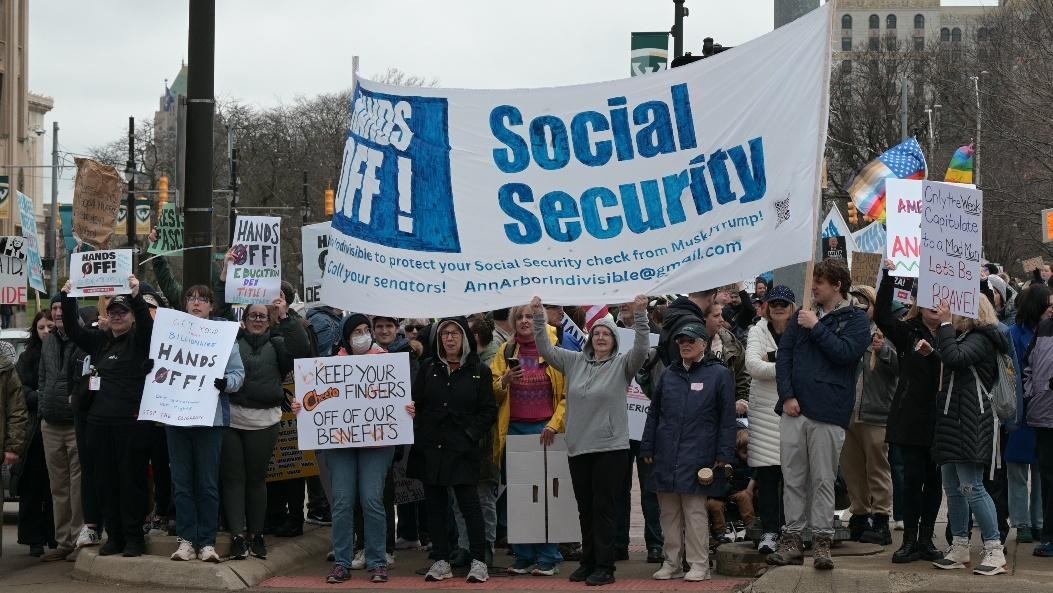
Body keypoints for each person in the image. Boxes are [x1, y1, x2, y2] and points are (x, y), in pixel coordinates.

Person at [529, 294, 649, 586]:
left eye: (607, 334)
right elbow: (544, 346)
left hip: (610, 448)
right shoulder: (573, 362)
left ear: (615, 340)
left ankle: (605, 567)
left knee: (604, 509)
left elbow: (643, 349)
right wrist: (538, 317)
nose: (601, 337)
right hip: (579, 446)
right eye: (597, 333)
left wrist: (642, 315)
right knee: (585, 508)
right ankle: (588, 561)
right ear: (589, 339)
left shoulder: (623, 365)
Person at [767, 259, 870, 570]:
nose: (813, 287)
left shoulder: (856, 319)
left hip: (829, 410)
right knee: (793, 478)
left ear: (837, 285)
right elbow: (784, 357)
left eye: (820, 283)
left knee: (823, 479)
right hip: (794, 411)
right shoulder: (800, 317)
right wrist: (787, 396)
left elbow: (846, 354)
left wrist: (817, 327)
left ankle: (822, 541)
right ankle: (792, 540)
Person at [217, 277, 311, 561]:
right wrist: (224, 278)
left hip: (265, 421)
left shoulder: (279, 344)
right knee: (233, 479)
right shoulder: (230, 342)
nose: (257, 319)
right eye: (252, 316)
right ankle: (236, 536)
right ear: (243, 321)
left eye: (262, 315)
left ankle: (256, 536)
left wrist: (285, 314)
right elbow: (218, 317)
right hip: (232, 418)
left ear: (269, 320)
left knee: (257, 479)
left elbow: (302, 352)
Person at [62, 276, 153, 557]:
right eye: (112, 312)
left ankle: (133, 538)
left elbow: (148, 326)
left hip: (130, 423)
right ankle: (114, 536)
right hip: (98, 424)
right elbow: (74, 332)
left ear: (131, 317)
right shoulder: (100, 341)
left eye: (122, 312)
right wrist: (67, 298)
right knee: (106, 482)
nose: (116, 317)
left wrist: (136, 297)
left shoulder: (139, 341)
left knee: (131, 482)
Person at [642, 321, 737, 582]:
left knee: (695, 512)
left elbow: (727, 419)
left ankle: (699, 565)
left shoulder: (718, 374)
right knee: (668, 512)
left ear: (703, 345)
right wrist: (648, 445)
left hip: (699, 454)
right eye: (682, 341)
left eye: (691, 341)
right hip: (666, 453)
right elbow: (654, 414)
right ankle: (671, 563)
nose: (685, 344)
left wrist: (724, 455)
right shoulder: (669, 374)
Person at [410, 316, 497, 583]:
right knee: (435, 507)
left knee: (470, 506)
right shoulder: (429, 368)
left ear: (464, 338)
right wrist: (415, 416)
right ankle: (440, 560)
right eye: (444, 333)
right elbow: (418, 402)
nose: (449, 338)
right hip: (432, 448)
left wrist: (469, 435)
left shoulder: (479, 370)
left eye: (455, 333)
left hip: (462, 450)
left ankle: (479, 560)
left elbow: (487, 411)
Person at [313, 313, 398, 584]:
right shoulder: (330, 367)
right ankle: (342, 561)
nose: (362, 335)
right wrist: (302, 407)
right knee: (342, 501)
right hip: (340, 443)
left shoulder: (386, 362)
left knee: (372, 499)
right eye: (356, 331)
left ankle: (377, 560)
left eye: (365, 330)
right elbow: (315, 402)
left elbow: (398, 399)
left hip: (377, 442)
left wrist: (406, 408)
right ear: (346, 337)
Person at [930, 297, 1009, 576]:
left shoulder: (981, 337)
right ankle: (960, 545)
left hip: (971, 420)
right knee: (952, 487)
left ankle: (994, 549)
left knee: (972, 487)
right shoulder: (966, 336)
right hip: (956, 420)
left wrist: (946, 324)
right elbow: (953, 361)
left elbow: (956, 358)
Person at [166, 285, 245, 563]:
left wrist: (227, 383)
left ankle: (207, 542)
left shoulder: (224, 335)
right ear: (185, 304)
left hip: (211, 419)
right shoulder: (172, 331)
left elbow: (238, 374)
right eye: (191, 298)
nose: (196, 303)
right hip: (176, 417)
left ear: (212, 306)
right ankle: (187, 540)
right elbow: (161, 363)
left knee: (208, 484)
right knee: (182, 483)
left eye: (203, 299)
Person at [874, 264, 944, 563]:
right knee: (913, 480)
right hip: (911, 419)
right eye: (927, 301)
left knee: (935, 481)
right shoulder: (909, 332)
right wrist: (889, 277)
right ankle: (911, 540)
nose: (933, 308)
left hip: (943, 420)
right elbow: (882, 317)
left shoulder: (954, 334)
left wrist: (937, 352)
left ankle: (927, 538)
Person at [490, 305, 567, 576]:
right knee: (521, 497)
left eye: (530, 316)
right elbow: (491, 391)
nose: (524, 321)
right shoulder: (506, 352)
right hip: (515, 431)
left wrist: (554, 424)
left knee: (548, 496)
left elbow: (570, 393)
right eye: (519, 317)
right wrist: (504, 381)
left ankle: (549, 557)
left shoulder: (556, 349)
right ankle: (523, 557)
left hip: (547, 431)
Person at [840, 286, 897, 546]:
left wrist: (883, 350)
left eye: (865, 304)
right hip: (849, 411)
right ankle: (859, 514)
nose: (861, 309)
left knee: (877, 468)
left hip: (876, 412)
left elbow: (899, 366)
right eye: (856, 304)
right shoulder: (849, 331)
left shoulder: (886, 333)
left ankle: (882, 518)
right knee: (852, 469)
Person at [744, 285, 795, 554]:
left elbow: (806, 364)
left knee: (792, 477)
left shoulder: (800, 330)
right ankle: (770, 531)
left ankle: (790, 529)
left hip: (792, 409)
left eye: (783, 304)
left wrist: (772, 359)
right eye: (773, 303)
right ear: (766, 306)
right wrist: (786, 364)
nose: (778, 308)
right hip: (764, 415)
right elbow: (752, 366)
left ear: (792, 308)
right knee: (767, 478)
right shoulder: (757, 331)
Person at [1007, 284, 1049, 545]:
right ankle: (1021, 523)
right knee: (1018, 470)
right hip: (1020, 410)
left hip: (1043, 409)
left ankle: (1039, 522)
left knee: (1042, 470)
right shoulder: (1012, 333)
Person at [13, 311, 56, 557]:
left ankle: (54, 536)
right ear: (35, 330)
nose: (46, 331)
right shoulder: (27, 358)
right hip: (32, 433)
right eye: (41, 327)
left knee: (54, 489)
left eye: (50, 326)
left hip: (56, 427)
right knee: (31, 488)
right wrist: (39, 398)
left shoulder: (62, 352)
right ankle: (33, 539)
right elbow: (20, 390)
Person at [1024, 303, 1053, 557]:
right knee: (1047, 478)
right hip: (1044, 415)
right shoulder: (1043, 328)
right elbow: (1028, 366)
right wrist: (1030, 392)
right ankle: (1049, 535)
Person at [706, 429, 755, 543]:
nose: (748, 455)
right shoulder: (730, 461)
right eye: (744, 452)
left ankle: (751, 527)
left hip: (737, 491)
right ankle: (720, 532)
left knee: (744, 496)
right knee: (714, 505)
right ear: (737, 450)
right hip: (719, 494)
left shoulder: (752, 464)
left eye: (750, 451)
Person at [704, 302, 750, 411]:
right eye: (716, 316)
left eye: (721, 314)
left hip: (728, 409)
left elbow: (743, 373)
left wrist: (741, 399)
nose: (721, 320)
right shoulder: (691, 343)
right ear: (703, 318)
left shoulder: (729, 339)